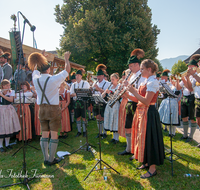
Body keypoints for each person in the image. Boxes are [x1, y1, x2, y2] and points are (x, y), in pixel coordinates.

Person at [28, 50, 71, 166]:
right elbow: (67, 70)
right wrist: (66, 58)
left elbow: (34, 69)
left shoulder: (36, 78)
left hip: (41, 109)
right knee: (54, 133)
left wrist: (41, 57)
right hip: (53, 109)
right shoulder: (53, 79)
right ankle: (51, 159)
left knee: (44, 133)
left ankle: (46, 158)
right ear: (48, 70)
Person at [127, 59, 165, 178]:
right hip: (143, 112)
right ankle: (146, 162)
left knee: (150, 139)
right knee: (143, 138)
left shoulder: (153, 82)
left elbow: (147, 101)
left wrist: (133, 91)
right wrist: (127, 94)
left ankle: (152, 169)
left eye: (142, 69)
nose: (141, 71)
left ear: (149, 70)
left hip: (150, 113)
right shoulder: (147, 80)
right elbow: (139, 99)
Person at [117, 49, 146, 157]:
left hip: (136, 104)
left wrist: (127, 95)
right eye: (129, 66)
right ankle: (129, 148)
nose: (129, 68)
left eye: (131, 66)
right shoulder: (132, 75)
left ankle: (136, 150)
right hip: (129, 103)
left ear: (137, 65)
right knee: (128, 127)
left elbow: (139, 94)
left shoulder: (141, 76)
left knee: (137, 129)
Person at [176, 59, 198, 142]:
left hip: (192, 97)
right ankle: (185, 135)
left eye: (191, 67)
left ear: (195, 67)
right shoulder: (186, 76)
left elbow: (190, 88)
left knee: (192, 118)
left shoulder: (195, 77)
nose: (188, 69)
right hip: (184, 97)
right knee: (184, 117)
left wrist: (186, 79)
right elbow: (178, 88)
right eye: (188, 67)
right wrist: (178, 80)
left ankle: (191, 136)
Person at [0, 79, 21, 152]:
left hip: (8, 110)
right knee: (2, 127)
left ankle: (7, 144)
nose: (8, 87)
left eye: (9, 85)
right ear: (3, 86)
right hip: (1, 110)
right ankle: (1, 145)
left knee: (9, 126)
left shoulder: (11, 92)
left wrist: (2, 95)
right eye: (7, 85)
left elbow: (11, 100)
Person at [158, 70, 180, 137]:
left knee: (174, 118)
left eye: (173, 80)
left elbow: (177, 94)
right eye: (171, 80)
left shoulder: (176, 87)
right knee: (170, 118)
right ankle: (170, 132)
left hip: (174, 102)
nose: (171, 81)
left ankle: (173, 133)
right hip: (169, 102)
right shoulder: (170, 86)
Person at [70, 69, 90, 137]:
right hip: (76, 102)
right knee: (77, 117)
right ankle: (79, 131)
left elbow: (87, 93)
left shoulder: (85, 83)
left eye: (78, 75)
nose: (77, 76)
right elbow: (70, 94)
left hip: (83, 102)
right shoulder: (73, 85)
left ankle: (84, 131)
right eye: (76, 75)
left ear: (81, 76)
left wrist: (78, 93)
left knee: (84, 117)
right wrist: (76, 94)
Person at [93, 64, 110, 138]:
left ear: (103, 76)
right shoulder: (95, 83)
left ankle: (105, 133)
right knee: (98, 117)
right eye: (97, 76)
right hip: (96, 101)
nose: (98, 77)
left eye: (99, 76)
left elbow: (107, 92)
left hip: (104, 102)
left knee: (103, 117)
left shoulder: (107, 83)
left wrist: (98, 89)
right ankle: (99, 132)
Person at [103, 73, 120, 143]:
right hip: (109, 104)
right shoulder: (110, 86)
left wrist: (110, 92)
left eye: (113, 79)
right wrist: (105, 92)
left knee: (115, 120)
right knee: (111, 119)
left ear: (117, 79)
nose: (112, 81)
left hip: (115, 105)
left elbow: (117, 96)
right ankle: (113, 137)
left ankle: (117, 138)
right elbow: (104, 95)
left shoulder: (119, 86)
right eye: (111, 79)